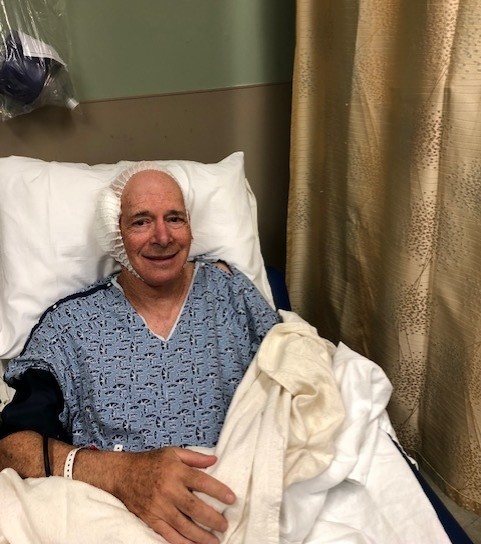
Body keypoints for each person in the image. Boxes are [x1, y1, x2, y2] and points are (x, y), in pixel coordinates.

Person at [0, 163, 280, 544]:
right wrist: (122, 474)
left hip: (242, 503)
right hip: (114, 518)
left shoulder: (231, 292)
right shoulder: (71, 326)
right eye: (141, 222)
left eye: (175, 218)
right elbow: (12, 447)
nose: (162, 236)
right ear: (115, 235)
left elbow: (295, 376)